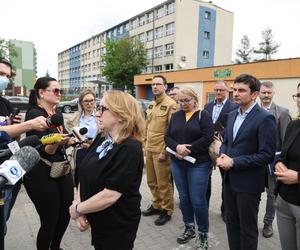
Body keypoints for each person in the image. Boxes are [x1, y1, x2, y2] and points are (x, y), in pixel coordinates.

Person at [69, 91, 145, 250]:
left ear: (120, 115)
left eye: (102, 108)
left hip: (117, 224)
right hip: (97, 217)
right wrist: (79, 203)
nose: (97, 113)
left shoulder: (130, 148)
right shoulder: (103, 137)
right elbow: (83, 172)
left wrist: (77, 209)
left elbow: (110, 195)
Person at [216, 74, 276, 250]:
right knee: (231, 223)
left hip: (249, 184)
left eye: (241, 90)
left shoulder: (265, 118)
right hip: (229, 181)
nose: (235, 93)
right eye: (234, 89)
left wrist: (234, 161)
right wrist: (222, 154)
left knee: (248, 229)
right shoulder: (232, 114)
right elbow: (227, 142)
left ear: (254, 94)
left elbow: (266, 155)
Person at [24, 76, 74, 250]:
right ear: (42, 93)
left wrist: (72, 140)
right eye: (56, 90)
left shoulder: (55, 115)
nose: (60, 94)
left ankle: (56, 247)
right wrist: (56, 142)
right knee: (50, 219)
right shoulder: (35, 115)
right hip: (41, 172)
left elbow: (64, 137)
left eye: (61, 90)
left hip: (60, 169)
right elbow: (43, 149)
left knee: (65, 214)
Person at [0, 58, 48, 231]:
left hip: (10, 172)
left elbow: (12, 139)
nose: (4, 79)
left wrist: (16, 127)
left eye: (7, 75)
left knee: (3, 222)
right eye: (0, 74)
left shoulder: (5, 103)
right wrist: (27, 125)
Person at [165, 87, 213, 249]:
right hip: (178, 163)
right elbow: (167, 136)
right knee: (184, 198)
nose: (183, 104)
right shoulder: (176, 115)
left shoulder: (203, 115)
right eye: (181, 101)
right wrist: (177, 147)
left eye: (186, 101)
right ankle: (189, 227)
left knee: (198, 200)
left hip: (198, 163)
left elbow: (207, 138)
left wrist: (188, 149)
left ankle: (203, 234)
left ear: (195, 100)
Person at [142, 75, 177, 226]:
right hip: (149, 149)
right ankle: (156, 205)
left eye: (158, 84)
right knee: (151, 181)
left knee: (163, 183)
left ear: (165, 87)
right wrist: (144, 144)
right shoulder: (151, 104)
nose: (155, 86)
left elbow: (172, 131)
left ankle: (167, 210)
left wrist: (165, 151)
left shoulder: (171, 105)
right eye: (153, 84)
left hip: (161, 151)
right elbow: (146, 126)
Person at [259, 81, 291, 238]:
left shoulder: (283, 112)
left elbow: (286, 140)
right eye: (263, 92)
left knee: (271, 194)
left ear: (273, 93)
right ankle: (250, 219)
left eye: (268, 93)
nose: (265, 95)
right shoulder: (253, 111)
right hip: (255, 160)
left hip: (274, 160)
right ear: (258, 93)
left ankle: (268, 222)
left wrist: (282, 162)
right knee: (252, 191)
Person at [204, 80, 238, 220]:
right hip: (207, 147)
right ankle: (204, 206)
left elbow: (233, 127)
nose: (218, 93)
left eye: (221, 90)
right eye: (216, 90)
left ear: (226, 91)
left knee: (226, 181)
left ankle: (226, 210)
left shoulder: (233, 106)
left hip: (224, 148)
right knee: (206, 178)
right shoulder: (208, 106)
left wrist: (218, 134)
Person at [274, 83, 300, 250]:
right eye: (298, 96)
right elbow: (283, 154)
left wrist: (298, 177)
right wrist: (278, 163)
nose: (299, 100)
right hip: (284, 201)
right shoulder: (294, 125)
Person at [66, 89, 100, 186]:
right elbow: (69, 130)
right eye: (86, 101)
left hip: (96, 152)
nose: (89, 103)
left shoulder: (100, 116)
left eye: (92, 100)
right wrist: (74, 140)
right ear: (81, 103)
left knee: (94, 181)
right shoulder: (76, 116)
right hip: (80, 153)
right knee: (80, 181)